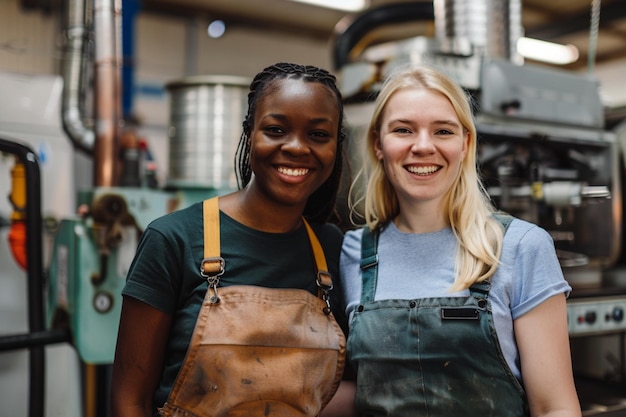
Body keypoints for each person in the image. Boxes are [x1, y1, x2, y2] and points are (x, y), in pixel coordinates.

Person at [110, 62, 354, 417]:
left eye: (318, 134)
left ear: (336, 145)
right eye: (275, 129)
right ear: (249, 133)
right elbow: (128, 401)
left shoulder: (332, 247)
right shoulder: (174, 238)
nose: (297, 147)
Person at [340, 65, 581, 416]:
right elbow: (359, 390)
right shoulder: (353, 252)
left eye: (443, 131)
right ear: (378, 144)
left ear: (465, 144)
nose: (423, 146)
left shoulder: (520, 246)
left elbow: (554, 407)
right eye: (403, 129)